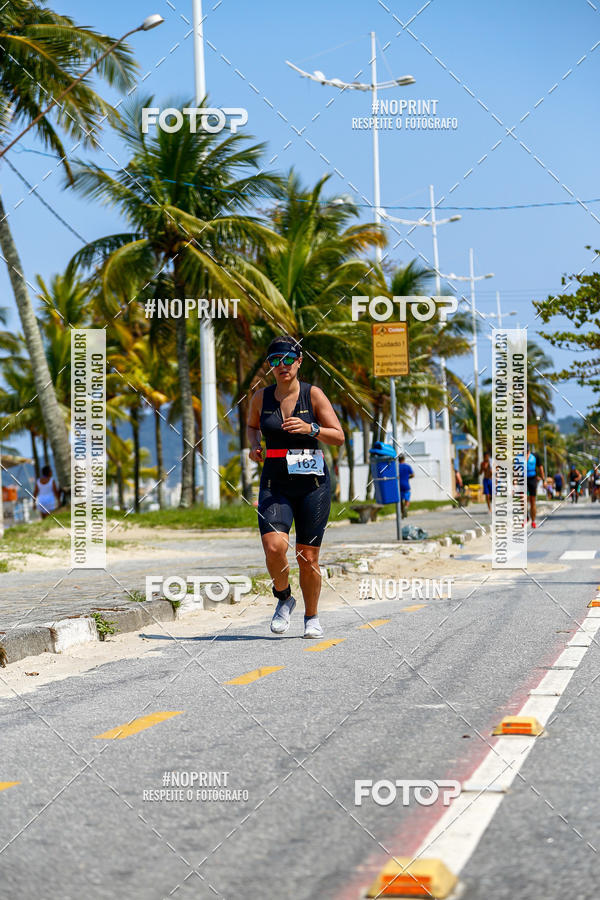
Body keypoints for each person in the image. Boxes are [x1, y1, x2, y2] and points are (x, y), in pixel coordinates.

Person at [247, 336, 345, 639]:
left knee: (307, 556)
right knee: (274, 546)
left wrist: (310, 428)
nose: (282, 366)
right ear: (270, 367)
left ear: (299, 362)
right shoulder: (260, 398)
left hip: (312, 485)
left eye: (288, 359)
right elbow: (252, 427)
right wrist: (254, 447)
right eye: (275, 361)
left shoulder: (312, 395)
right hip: (275, 483)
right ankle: (284, 597)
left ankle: (312, 616)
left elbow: (338, 436)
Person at [526, 446, 545, 527]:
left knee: (532, 501)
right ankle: (525, 516)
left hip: (532, 479)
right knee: (523, 499)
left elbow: (540, 467)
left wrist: (544, 480)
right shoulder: (518, 457)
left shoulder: (535, 456)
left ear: (528, 449)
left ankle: (533, 521)